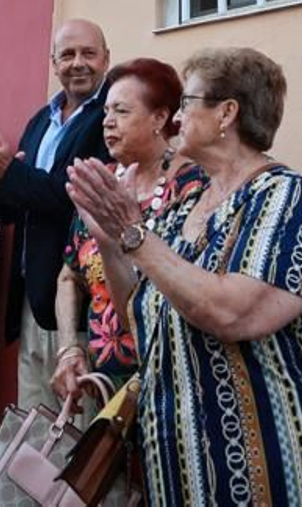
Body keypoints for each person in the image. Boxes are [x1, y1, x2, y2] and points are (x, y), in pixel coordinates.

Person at [67, 47, 302, 506]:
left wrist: (133, 235)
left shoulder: (285, 194)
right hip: (186, 474)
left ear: (227, 112)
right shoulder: (182, 209)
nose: (176, 118)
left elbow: (233, 312)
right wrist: (112, 241)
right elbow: (137, 317)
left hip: (277, 469)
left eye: (187, 103)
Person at [0, 18, 111, 412]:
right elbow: (13, 208)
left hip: (80, 301)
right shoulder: (40, 120)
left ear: (106, 58)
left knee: (78, 433)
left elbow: (75, 195)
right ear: (54, 63)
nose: (78, 63)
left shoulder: (112, 116)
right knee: (34, 422)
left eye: (88, 53)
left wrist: (8, 173)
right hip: (33, 296)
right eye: (67, 54)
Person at [52, 58, 198, 405]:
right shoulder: (102, 181)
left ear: (160, 118)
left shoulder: (193, 187)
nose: (107, 122)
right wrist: (70, 348)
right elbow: (69, 276)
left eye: (121, 111)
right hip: (101, 381)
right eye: (106, 111)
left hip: (171, 379)